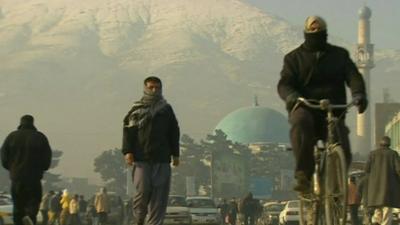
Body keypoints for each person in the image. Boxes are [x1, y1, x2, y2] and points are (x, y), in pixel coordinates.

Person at [277, 15, 368, 192]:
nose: (316, 38)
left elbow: (353, 76)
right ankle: (303, 174)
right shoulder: (294, 59)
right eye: (313, 34)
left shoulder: (339, 56)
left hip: (333, 110)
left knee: (342, 146)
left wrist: (358, 94)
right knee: (301, 124)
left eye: (320, 34)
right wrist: (292, 96)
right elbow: (285, 83)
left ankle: (335, 189)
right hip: (306, 107)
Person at [122, 76, 180, 225]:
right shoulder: (136, 109)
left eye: (157, 88)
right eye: (151, 87)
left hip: (162, 158)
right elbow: (129, 131)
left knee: (159, 196)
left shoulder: (166, 109)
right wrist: (128, 151)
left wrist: (175, 154)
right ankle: (139, 219)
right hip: (141, 159)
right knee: (142, 191)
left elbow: (174, 131)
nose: (154, 90)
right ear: (145, 88)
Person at [0, 115, 52, 225]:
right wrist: (41, 168)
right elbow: (47, 158)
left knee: (18, 205)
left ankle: (19, 221)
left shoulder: (12, 137)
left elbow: (4, 157)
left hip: (17, 177)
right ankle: (30, 217)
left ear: (21, 123)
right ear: (33, 123)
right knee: (33, 203)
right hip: (34, 178)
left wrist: (12, 168)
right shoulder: (40, 137)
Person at [365, 136, 400, 225]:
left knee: (378, 210)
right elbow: (398, 169)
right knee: (387, 212)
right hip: (389, 190)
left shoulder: (372, 154)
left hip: (375, 190)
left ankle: (376, 222)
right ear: (389, 144)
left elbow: (366, 169)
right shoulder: (393, 154)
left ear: (380, 143)